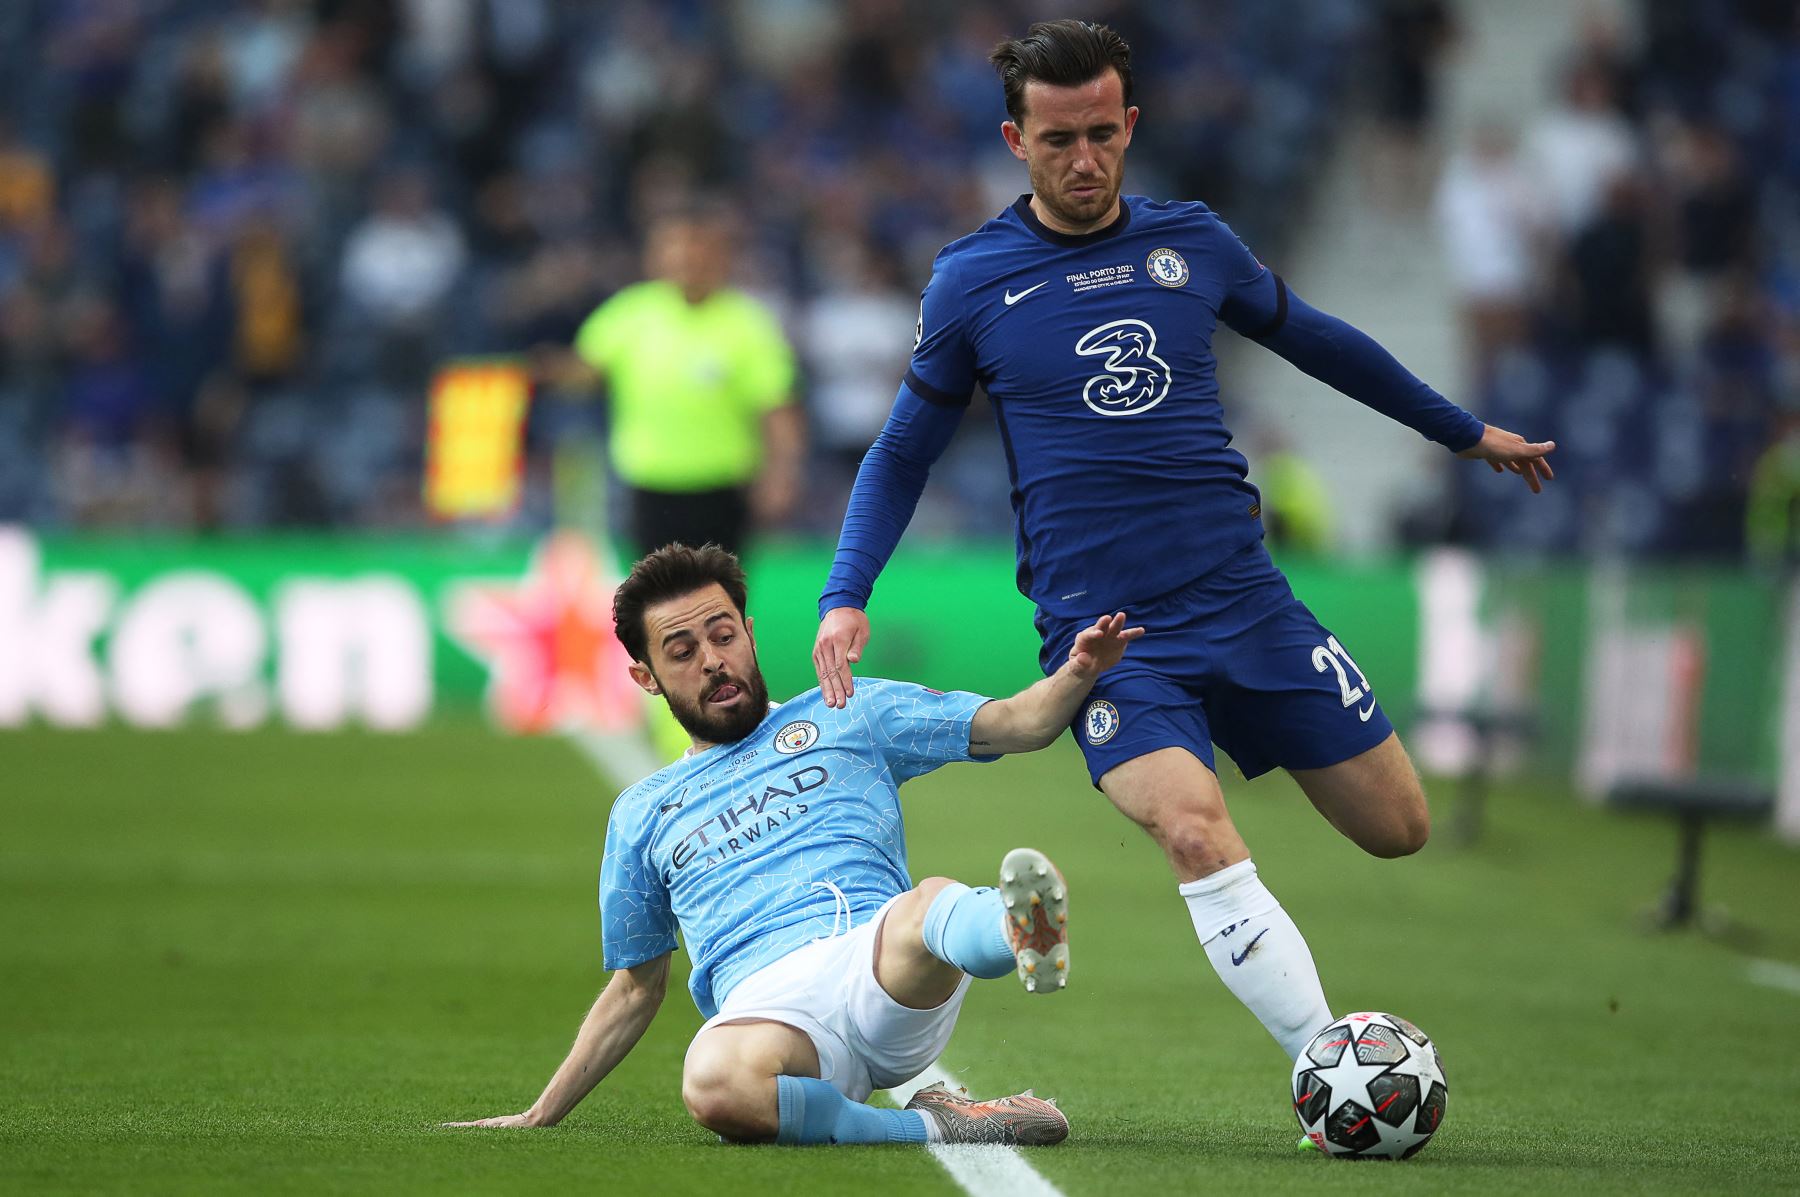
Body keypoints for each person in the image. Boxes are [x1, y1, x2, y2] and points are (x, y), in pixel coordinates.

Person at [811, 19, 1556, 1086]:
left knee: (1401, 827)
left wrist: (1460, 430)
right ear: (1016, 139)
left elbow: (1322, 341)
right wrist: (847, 593)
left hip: (1249, 603)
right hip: (1113, 641)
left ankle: (1331, 1051)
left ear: (1132, 125)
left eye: (1103, 134)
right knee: (1196, 832)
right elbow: (900, 451)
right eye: (1059, 139)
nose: (1084, 160)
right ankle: (1332, 1073)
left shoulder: (1193, 244)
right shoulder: (972, 281)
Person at [447, 542, 1143, 1146]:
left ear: (749, 633)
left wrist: (1080, 670)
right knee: (711, 1082)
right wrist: (542, 1112)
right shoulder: (641, 813)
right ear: (646, 677)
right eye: (683, 652)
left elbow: (1017, 723)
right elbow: (636, 987)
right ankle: (943, 1123)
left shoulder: (848, 710)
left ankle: (1016, 927)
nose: (714, 661)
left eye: (723, 635)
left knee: (924, 906)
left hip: (878, 963)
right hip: (768, 1013)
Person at [554, 204, 805, 557]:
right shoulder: (630, 313)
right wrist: (543, 367)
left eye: (696, 249)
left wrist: (782, 474)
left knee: (719, 598)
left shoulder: (748, 323)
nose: (685, 259)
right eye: (672, 249)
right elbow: (584, 372)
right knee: (652, 600)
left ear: (719, 257)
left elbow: (777, 406)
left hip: (722, 486)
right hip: (649, 484)